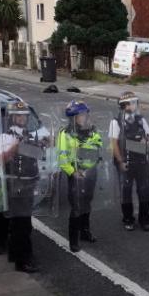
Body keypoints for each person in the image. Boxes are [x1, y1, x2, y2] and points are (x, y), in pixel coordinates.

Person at [0, 101, 44, 273]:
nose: (22, 118)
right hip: (16, 185)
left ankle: (18, 255)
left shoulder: (29, 134)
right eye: (18, 115)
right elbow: (0, 159)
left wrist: (44, 146)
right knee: (20, 225)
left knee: (25, 223)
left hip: (29, 182)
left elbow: (37, 157)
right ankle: (22, 261)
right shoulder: (5, 137)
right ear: (12, 118)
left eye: (24, 115)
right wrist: (15, 147)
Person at [57, 100, 103, 252]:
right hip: (76, 175)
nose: (84, 117)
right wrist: (73, 172)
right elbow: (62, 158)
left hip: (90, 173)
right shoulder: (65, 134)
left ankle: (85, 232)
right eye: (81, 115)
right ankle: (74, 240)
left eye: (85, 114)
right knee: (76, 206)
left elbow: (98, 144)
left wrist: (95, 152)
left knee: (87, 203)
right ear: (73, 117)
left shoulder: (92, 130)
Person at [109, 92, 149, 231]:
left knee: (144, 190)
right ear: (125, 105)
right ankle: (128, 218)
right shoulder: (115, 122)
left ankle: (144, 218)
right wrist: (120, 161)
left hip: (141, 161)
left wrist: (146, 140)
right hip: (125, 161)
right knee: (126, 191)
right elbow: (114, 144)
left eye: (135, 102)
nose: (135, 105)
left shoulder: (141, 119)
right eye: (132, 103)